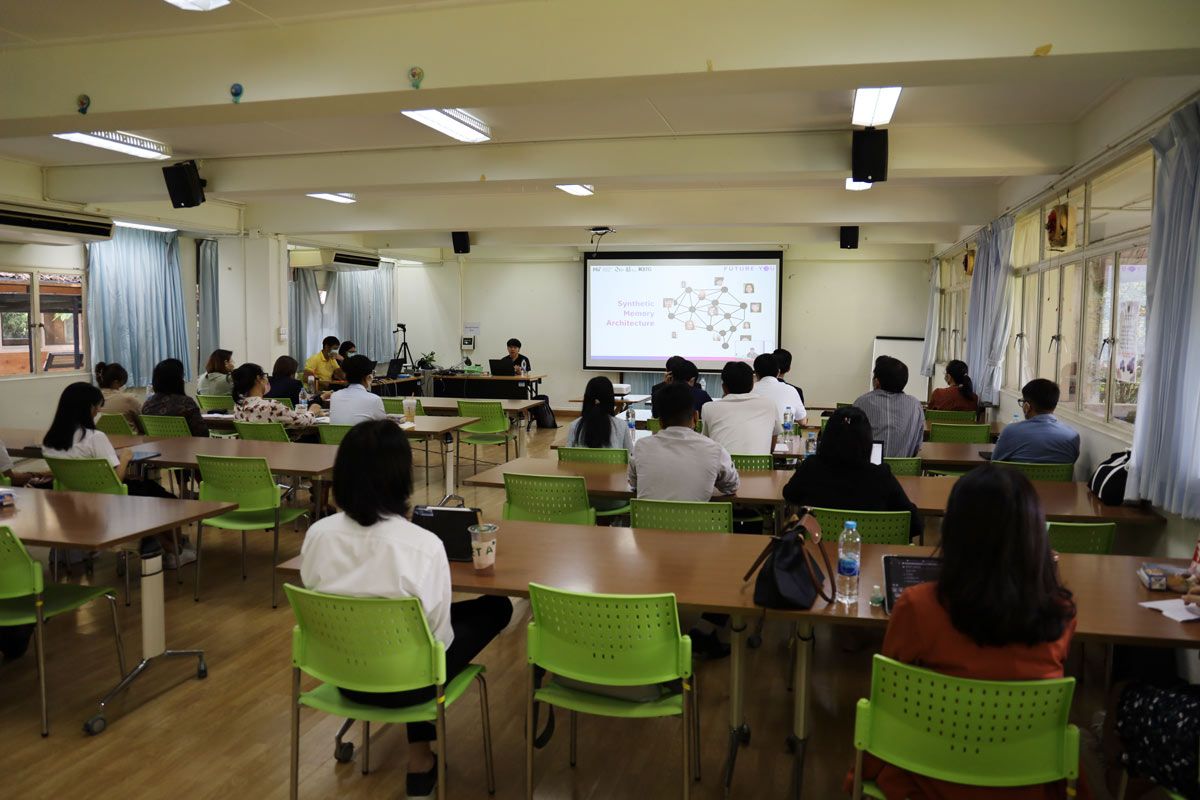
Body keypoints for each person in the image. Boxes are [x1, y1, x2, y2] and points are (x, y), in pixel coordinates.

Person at [300, 420, 513, 798]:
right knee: (495, 608)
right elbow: (438, 639)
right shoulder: (422, 545)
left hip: (342, 676)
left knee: (414, 640)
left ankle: (420, 759)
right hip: (411, 684)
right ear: (402, 477)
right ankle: (419, 761)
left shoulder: (317, 535)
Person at [850, 465, 1077, 799]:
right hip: (1023, 781)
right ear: (1035, 535)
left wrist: (858, 773)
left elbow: (890, 700)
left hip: (926, 773)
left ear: (953, 530)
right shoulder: (1061, 615)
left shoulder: (918, 607)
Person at [43, 382, 193, 565]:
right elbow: (115, 479)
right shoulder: (94, 437)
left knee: (148, 491)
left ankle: (167, 547)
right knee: (166, 500)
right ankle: (174, 552)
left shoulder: (50, 440)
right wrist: (126, 458)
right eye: (97, 406)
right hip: (108, 500)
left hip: (74, 500)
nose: (98, 411)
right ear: (88, 408)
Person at [782, 407, 922, 539]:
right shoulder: (881, 476)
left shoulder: (811, 468)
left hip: (817, 552)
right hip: (868, 554)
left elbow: (789, 494)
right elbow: (916, 524)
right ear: (867, 441)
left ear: (826, 437)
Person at [629, 382, 739, 502]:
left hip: (647, 515)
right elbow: (732, 487)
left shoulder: (641, 447)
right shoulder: (714, 450)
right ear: (696, 417)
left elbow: (634, 484)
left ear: (660, 422)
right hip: (697, 515)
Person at [992, 379, 1081, 464]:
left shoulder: (1011, 431)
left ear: (1026, 407)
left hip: (1017, 475)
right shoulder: (1073, 436)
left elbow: (995, 461)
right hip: (1058, 476)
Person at [701, 361, 779, 456]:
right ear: (752, 385)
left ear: (723, 387)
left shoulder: (708, 408)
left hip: (722, 465)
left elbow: (707, 443)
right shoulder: (769, 404)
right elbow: (772, 444)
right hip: (759, 465)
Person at [853, 355, 923, 458]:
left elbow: (853, 441)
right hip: (905, 467)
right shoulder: (915, 405)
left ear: (877, 382)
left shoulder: (862, 402)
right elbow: (918, 445)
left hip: (869, 467)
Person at [231, 363, 322, 430]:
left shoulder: (238, 407)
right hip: (277, 449)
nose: (267, 379)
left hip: (249, 449)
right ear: (258, 379)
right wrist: (312, 412)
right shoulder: (271, 406)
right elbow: (301, 422)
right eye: (264, 376)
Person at [565, 376, 635, 451]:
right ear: (610, 399)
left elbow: (567, 454)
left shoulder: (575, 425)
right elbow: (630, 454)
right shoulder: (621, 426)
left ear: (587, 398)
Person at [142, 359, 209, 436]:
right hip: (185, 443)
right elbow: (203, 433)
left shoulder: (148, 404)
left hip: (157, 443)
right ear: (178, 380)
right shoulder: (186, 403)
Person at [751, 352, 807, 425]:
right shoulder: (791, 390)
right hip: (783, 432)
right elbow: (803, 422)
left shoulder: (749, 390)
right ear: (778, 372)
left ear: (756, 373)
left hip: (755, 431)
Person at [329, 355, 387, 425]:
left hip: (338, 433)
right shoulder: (374, 399)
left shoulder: (335, 396)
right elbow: (383, 426)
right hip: (362, 432)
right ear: (368, 377)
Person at [95, 361, 141, 429]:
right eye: (122, 384)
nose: (122, 387)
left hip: (102, 435)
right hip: (129, 435)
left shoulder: (93, 399)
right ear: (115, 383)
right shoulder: (129, 399)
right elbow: (142, 423)